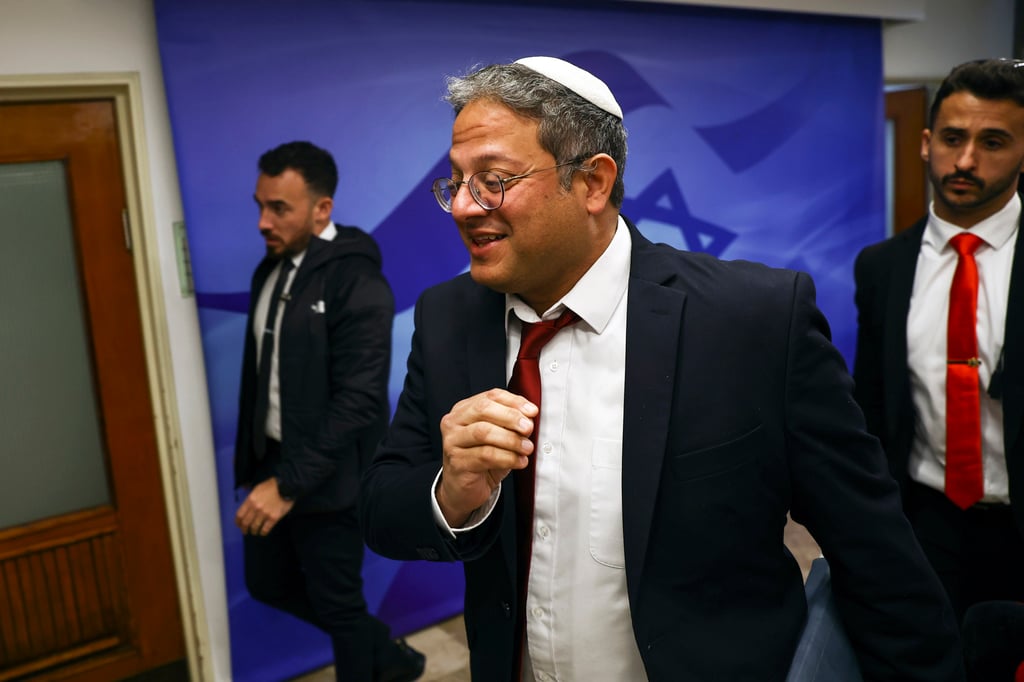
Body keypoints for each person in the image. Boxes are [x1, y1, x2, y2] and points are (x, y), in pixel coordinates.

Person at [360, 57, 963, 680]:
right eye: (455, 181)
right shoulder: (448, 317)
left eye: (494, 179)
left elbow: (873, 553)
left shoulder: (753, 321)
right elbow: (383, 508)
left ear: (593, 183)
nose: (462, 207)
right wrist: (451, 493)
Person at [234, 141, 424, 681]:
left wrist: (287, 485)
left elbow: (360, 400)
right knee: (267, 583)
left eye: (279, 208)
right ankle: (389, 657)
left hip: (331, 478)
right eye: (260, 205)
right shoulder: (268, 271)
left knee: (340, 608)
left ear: (322, 209)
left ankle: (377, 660)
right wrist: (263, 470)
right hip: (275, 464)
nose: (262, 222)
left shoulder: (357, 281)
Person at [853, 59, 1024, 626]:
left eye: (993, 142)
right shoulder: (881, 268)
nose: (967, 160)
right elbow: (872, 408)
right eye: (953, 139)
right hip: (925, 521)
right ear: (927, 143)